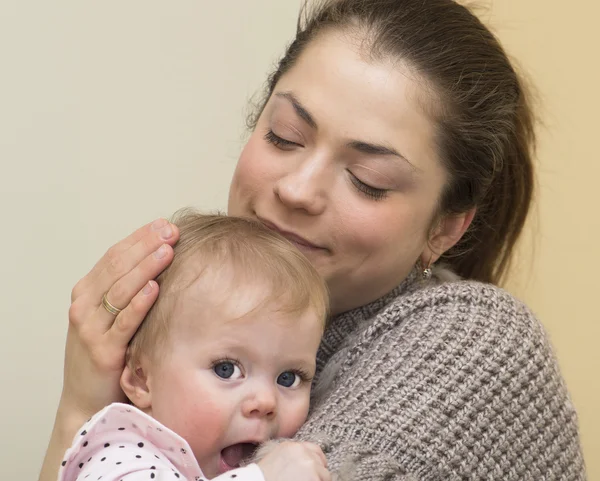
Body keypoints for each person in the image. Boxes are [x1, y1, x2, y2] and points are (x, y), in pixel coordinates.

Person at [40, 0, 587, 479]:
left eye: (367, 181)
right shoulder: (193, 304)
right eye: (284, 136)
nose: (298, 189)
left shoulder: (476, 348)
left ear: (444, 228)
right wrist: (83, 407)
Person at [58, 211, 331, 481]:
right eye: (226, 369)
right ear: (142, 380)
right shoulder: (121, 458)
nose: (266, 401)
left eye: (289, 378)